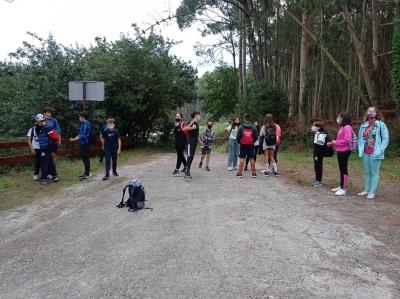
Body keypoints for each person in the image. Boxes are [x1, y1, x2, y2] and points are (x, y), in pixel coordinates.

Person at [357, 107, 389, 199]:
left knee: (374, 172)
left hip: (376, 152)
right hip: (365, 151)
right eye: (369, 111)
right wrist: (360, 148)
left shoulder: (381, 125)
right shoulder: (364, 125)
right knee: (367, 172)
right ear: (366, 113)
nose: (370, 112)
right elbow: (360, 138)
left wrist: (381, 149)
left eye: (373, 111)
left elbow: (385, 138)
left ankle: (372, 191)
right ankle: (366, 190)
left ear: (376, 113)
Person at [328, 112, 353, 196]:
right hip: (340, 150)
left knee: (343, 169)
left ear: (343, 118)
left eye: (338, 117)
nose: (337, 118)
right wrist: (333, 143)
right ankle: (342, 185)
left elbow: (347, 140)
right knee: (341, 169)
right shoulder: (343, 127)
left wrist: (336, 142)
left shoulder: (347, 127)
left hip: (345, 151)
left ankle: (343, 188)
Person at [36, 114, 60, 184]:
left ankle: (44, 179)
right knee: (50, 162)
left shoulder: (47, 127)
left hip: (46, 147)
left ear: (40, 121)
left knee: (44, 162)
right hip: (46, 147)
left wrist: (51, 146)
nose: (37, 123)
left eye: (38, 121)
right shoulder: (44, 127)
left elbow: (55, 137)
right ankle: (54, 176)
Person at [69, 111, 91, 181]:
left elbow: (83, 135)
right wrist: (74, 138)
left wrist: (74, 140)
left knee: (86, 159)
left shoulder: (86, 124)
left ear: (82, 117)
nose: (79, 118)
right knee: (84, 159)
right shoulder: (84, 124)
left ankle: (87, 175)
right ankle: (85, 173)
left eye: (79, 117)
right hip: (82, 144)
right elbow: (80, 134)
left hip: (85, 144)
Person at [235, 113, 259, 178]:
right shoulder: (253, 126)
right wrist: (252, 141)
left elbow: (237, 137)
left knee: (242, 158)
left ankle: (240, 173)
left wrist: (240, 142)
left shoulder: (241, 126)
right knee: (251, 158)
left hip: (243, 144)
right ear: (250, 118)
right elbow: (256, 137)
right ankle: (253, 173)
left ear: (244, 118)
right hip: (251, 144)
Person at [182, 111, 201, 179]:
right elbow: (184, 129)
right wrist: (192, 128)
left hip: (194, 143)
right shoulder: (192, 122)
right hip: (190, 143)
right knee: (190, 157)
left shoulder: (196, 123)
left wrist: (200, 142)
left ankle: (187, 171)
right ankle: (187, 172)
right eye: (199, 115)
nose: (200, 117)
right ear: (196, 115)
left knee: (191, 157)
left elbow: (196, 135)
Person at [311, 121, 327, 187]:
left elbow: (320, 147)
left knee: (319, 166)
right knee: (316, 166)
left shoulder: (321, 135)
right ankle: (316, 179)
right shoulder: (317, 134)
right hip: (316, 152)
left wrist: (317, 155)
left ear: (318, 127)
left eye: (314, 126)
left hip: (319, 153)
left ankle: (319, 181)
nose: (312, 127)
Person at [27, 116, 41, 181]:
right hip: (35, 148)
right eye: (35, 122)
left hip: (43, 147)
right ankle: (36, 174)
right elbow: (29, 140)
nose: (36, 123)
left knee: (45, 161)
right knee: (37, 161)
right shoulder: (32, 129)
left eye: (37, 121)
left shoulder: (43, 128)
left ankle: (46, 173)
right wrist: (32, 149)